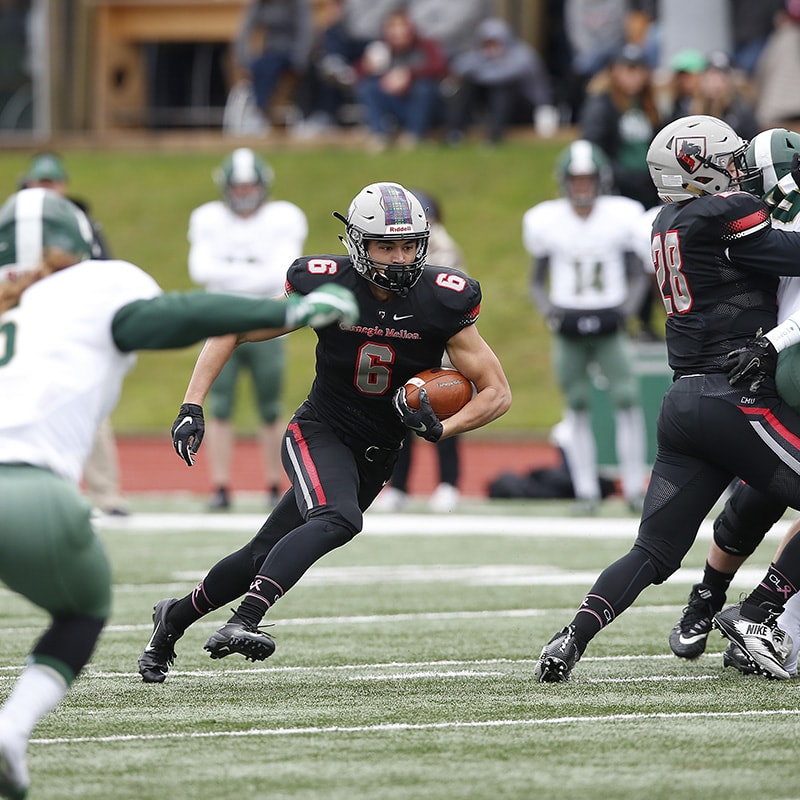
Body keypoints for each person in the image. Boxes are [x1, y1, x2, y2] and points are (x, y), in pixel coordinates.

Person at [0, 186, 358, 799]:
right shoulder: (98, 284)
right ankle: (11, 729)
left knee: (264, 545)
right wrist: (296, 314)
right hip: (28, 489)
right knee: (82, 609)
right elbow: (175, 316)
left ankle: (177, 618)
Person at [136, 181, 511, 683]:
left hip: (379, 451)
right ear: (358, 244)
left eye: (407, 245)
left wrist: (444, 427)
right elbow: (233, 326)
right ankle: (246, 619)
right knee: (339, 518)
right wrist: (192, 403)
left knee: (259, 554)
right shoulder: (329, 288)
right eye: (385, 245)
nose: (399, 258)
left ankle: (172, 620)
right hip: (321, 430)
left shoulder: (441, 301)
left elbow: (496, 392)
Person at [534, 115, 800, 683]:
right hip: (735, 396)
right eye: (728, 162)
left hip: (683, 403)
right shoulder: (722, 212)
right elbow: (791, 254)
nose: (739, 172)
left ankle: (571, 637)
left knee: (653, 551)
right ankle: (757, 615)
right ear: (696, 169)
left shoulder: (666, 221)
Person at [667, 128, 800, 670]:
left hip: (768, 362)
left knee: (764, 493)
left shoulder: (753, 218)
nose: (741, 183)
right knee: (765, 491)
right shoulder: (752, 221)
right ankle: (760, 612)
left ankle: (735, 614)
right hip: (777, 360)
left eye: (749, 173)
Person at [523, 139, 649, 515]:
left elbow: (637, 271)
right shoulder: (546, 220)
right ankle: (585, 489)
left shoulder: (621, 215)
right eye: (575, 180)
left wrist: (626, 309)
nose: (581, 187)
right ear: (564, 181)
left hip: (610, 318)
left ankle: (632, 487)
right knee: (575, 404)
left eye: (587, 179)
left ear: (600, 180)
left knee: (627, 398)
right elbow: (535, 280)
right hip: (569, 320)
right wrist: (550, 311)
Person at [188, 148, 308, 511]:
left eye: (249, 185)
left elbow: (282, 271)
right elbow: (200, 269)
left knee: (271, 407)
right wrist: (253, 272)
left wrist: (232, 272)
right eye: (237, 187)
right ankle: (220, 486)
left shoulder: (282, 217)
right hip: (221, 320)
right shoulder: (208, 217)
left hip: (264, 321)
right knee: (219, 405)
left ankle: (274, 484)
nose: (243, 193)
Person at [20, 151, 128, 517]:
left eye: (52, 182)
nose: (47, 188)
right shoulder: (18, 221)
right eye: (41, 181)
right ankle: (37, 492)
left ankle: (106, 493)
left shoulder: (80, 223)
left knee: (90, 403)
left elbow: (105, 270)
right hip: (28, 326)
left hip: (73, 324)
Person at [374, 188, 467, 513]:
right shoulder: (400, 245)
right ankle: (398, 484)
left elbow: (433, 293)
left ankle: (448, 483)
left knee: (445, 408)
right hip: (402, 339)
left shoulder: (441, 245)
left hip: (437, 342)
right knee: (399, 416)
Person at [445, 17, 554, 146]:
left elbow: (504, 75)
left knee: (503, 87)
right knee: (468, 85)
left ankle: (494, 135)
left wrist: (479, 71)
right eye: (487, 43)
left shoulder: (523, 55)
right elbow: (459, 67)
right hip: (492, 106)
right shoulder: (479, 55)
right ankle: (455, 132)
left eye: (494, 43)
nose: (491, 48)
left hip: (526, 108)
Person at [353, 10, 448, 151]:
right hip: (395, 102)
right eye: (393, 28)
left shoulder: (426, 46)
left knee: (425, 88)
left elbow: (440, 68)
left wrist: (409, 75)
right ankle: (380, 135)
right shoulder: (382, 50)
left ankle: (414, 135)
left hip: (423, 104)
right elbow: (356, 74)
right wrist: (367, 67)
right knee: (368, 87)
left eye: (401, 27)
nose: (398, 33)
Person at [232, 0, 314, 128]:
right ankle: (259, 114)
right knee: (261, 67)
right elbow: (244, 32)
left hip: (294, 53)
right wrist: (245, 62)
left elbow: (305, 32)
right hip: (271, 53)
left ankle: (309, 116)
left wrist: (299, 62)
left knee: (312, 71)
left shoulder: (298, 3)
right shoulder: (260, 3)